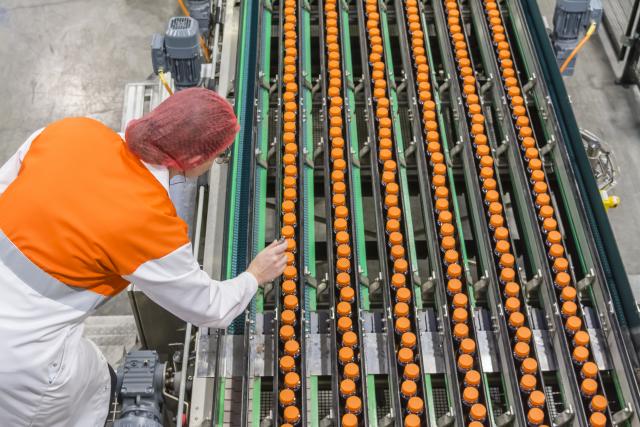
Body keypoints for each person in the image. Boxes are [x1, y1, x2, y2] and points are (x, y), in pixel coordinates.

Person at [0, 87, 288, 426]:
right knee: (82, 400)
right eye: (218, 156)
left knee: (91, 371)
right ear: (195, 161)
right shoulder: (150, 223)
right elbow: (211, 308)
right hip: (22, 354)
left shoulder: (74, 130)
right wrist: (254, 275)